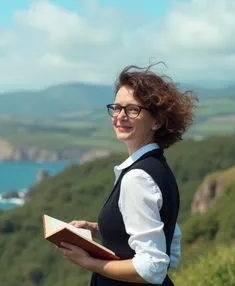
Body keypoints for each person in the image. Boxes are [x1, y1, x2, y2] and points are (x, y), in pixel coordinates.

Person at [57, 63, 198, 285]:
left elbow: (152, 268)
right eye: (116, 107)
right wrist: (97, 229)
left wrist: (88, 262)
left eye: (133, 109)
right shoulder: (157, 168)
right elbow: (171, 240)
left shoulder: (137, 178)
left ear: (158, 121)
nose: (120, 116)